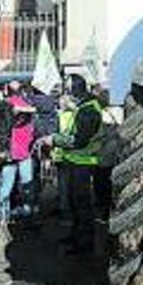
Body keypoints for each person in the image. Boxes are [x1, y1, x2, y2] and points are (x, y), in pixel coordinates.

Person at [42, 74, 103, 254]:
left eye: (67, 90)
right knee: (76, 205)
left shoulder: (88, 110)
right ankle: (76, 237)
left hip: (82, 163)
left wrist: (54, 139)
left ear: (74, 90)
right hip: (75, 162)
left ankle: (83, 244)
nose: (65, 94)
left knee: (82, 205)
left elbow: (79, 140)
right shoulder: (84, 107)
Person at [0, 81, 37, 238]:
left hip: (8, 153)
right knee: (27, 187)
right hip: (25, 152)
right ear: (21, 90)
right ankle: (28, 218)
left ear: (7, 90)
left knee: (5, 188)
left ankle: (3, 219)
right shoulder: (26, 104)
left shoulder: (3, 105)